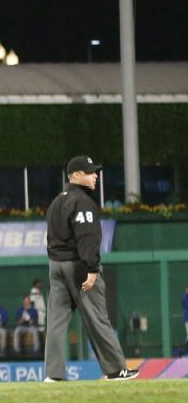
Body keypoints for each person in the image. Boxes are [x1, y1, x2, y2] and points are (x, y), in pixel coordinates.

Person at [43, 156, 138, 381]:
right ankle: (116, 370)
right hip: (79, 267)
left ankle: (53, 375)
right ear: (76, 175)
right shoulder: (82, 201)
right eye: (89, 172)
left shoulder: (57, 201)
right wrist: (92, 268)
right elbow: (87, 237)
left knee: (56, 321)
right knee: (97, 317)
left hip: (56, 265)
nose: (95, 175)